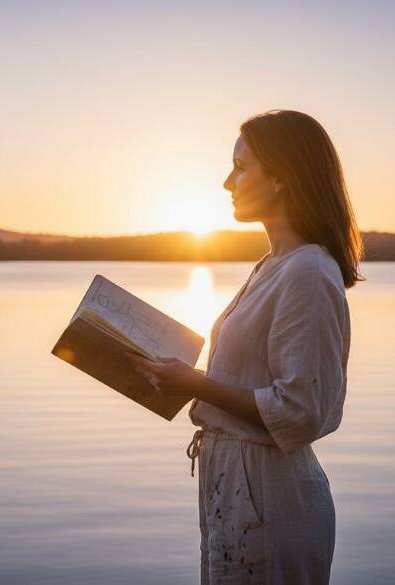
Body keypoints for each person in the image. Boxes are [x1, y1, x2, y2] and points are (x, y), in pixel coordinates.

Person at [127, 109, 364, 584]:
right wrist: (174, 379)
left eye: (240, 167)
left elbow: (300, 411)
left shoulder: (308, 273)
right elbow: (252, 383)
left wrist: (196, 383)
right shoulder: (273, 266)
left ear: (280, 177)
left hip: (268, 496)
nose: (226, 181)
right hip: (236, 485)